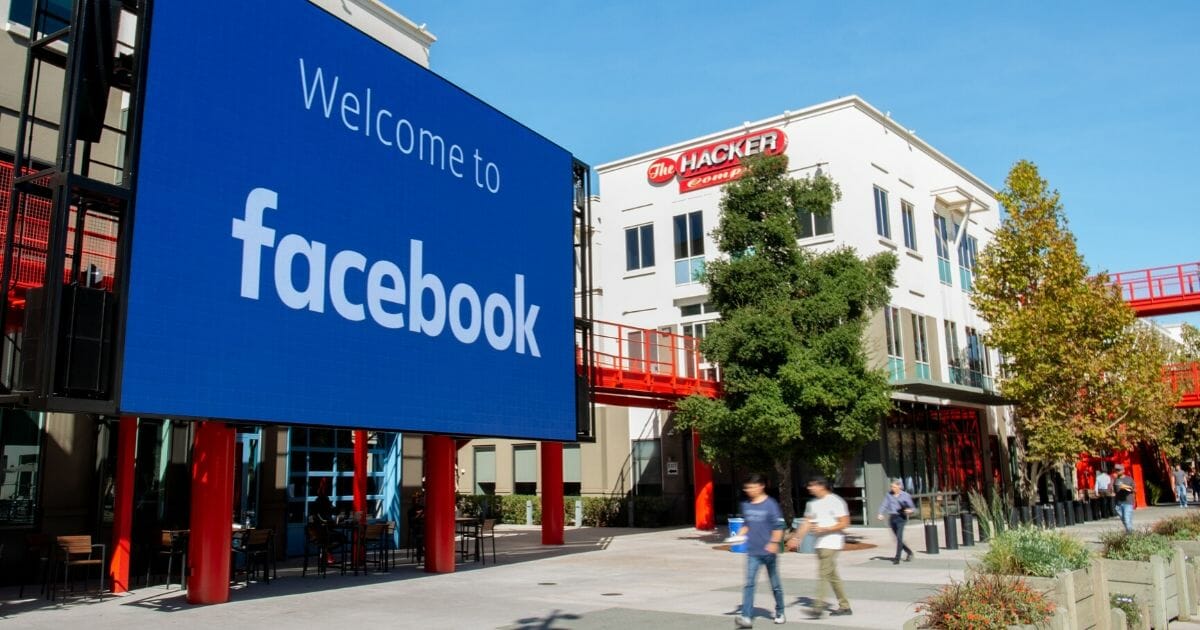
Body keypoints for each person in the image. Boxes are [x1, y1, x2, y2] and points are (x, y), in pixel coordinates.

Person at [788, 477, 852, 619]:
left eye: (812, 485)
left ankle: (817, 608)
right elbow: (807, 523)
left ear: (821, 486)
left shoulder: (836, 501)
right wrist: (796, 538)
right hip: (819, 544)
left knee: (823, 574)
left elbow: (845, 522)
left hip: (832, 543)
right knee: (832, 576)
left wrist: (826, 528)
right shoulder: (813, 504)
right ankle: (845, 606)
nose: (809, 488)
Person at [734, 473, 786, 628]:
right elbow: (746, 524)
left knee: (775, 584)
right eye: (747, 487)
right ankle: (747, 617)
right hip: (753, 552)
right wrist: (738, 536)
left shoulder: (771, 504)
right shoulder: (746, 505)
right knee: (749, 584)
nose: (749, 490)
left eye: (752, 487)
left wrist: (774, 542)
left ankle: (780, 611)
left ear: (761, 486)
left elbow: (778, 527)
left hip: (769, 553)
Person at [876, 479, 915, 564]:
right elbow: (884, 504)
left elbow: (913, 508)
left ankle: (897, 558)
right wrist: (880, 513)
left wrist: (910, 511)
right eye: (891, 486)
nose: (892, 488)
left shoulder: (906, 495)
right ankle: (909, 552)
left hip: (901, 518)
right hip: (892, 518)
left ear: (899, 486)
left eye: (894, 486)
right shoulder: (889, 495)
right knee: (898, 538)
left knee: (899, 537)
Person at [1113, 464, 1136, 532]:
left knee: (1126, 519)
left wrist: (1128, 488)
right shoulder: (1116, 480)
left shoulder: (1129, 479)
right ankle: (1130, 531)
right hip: (1118, 503)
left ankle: (1130, 535)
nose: (1117, 471)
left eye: (1119, 470)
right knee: (1124, 520)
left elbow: (1133, 489)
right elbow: (1116, 490)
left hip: (1128, 502)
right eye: (1116, 470)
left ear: (1123, 470)